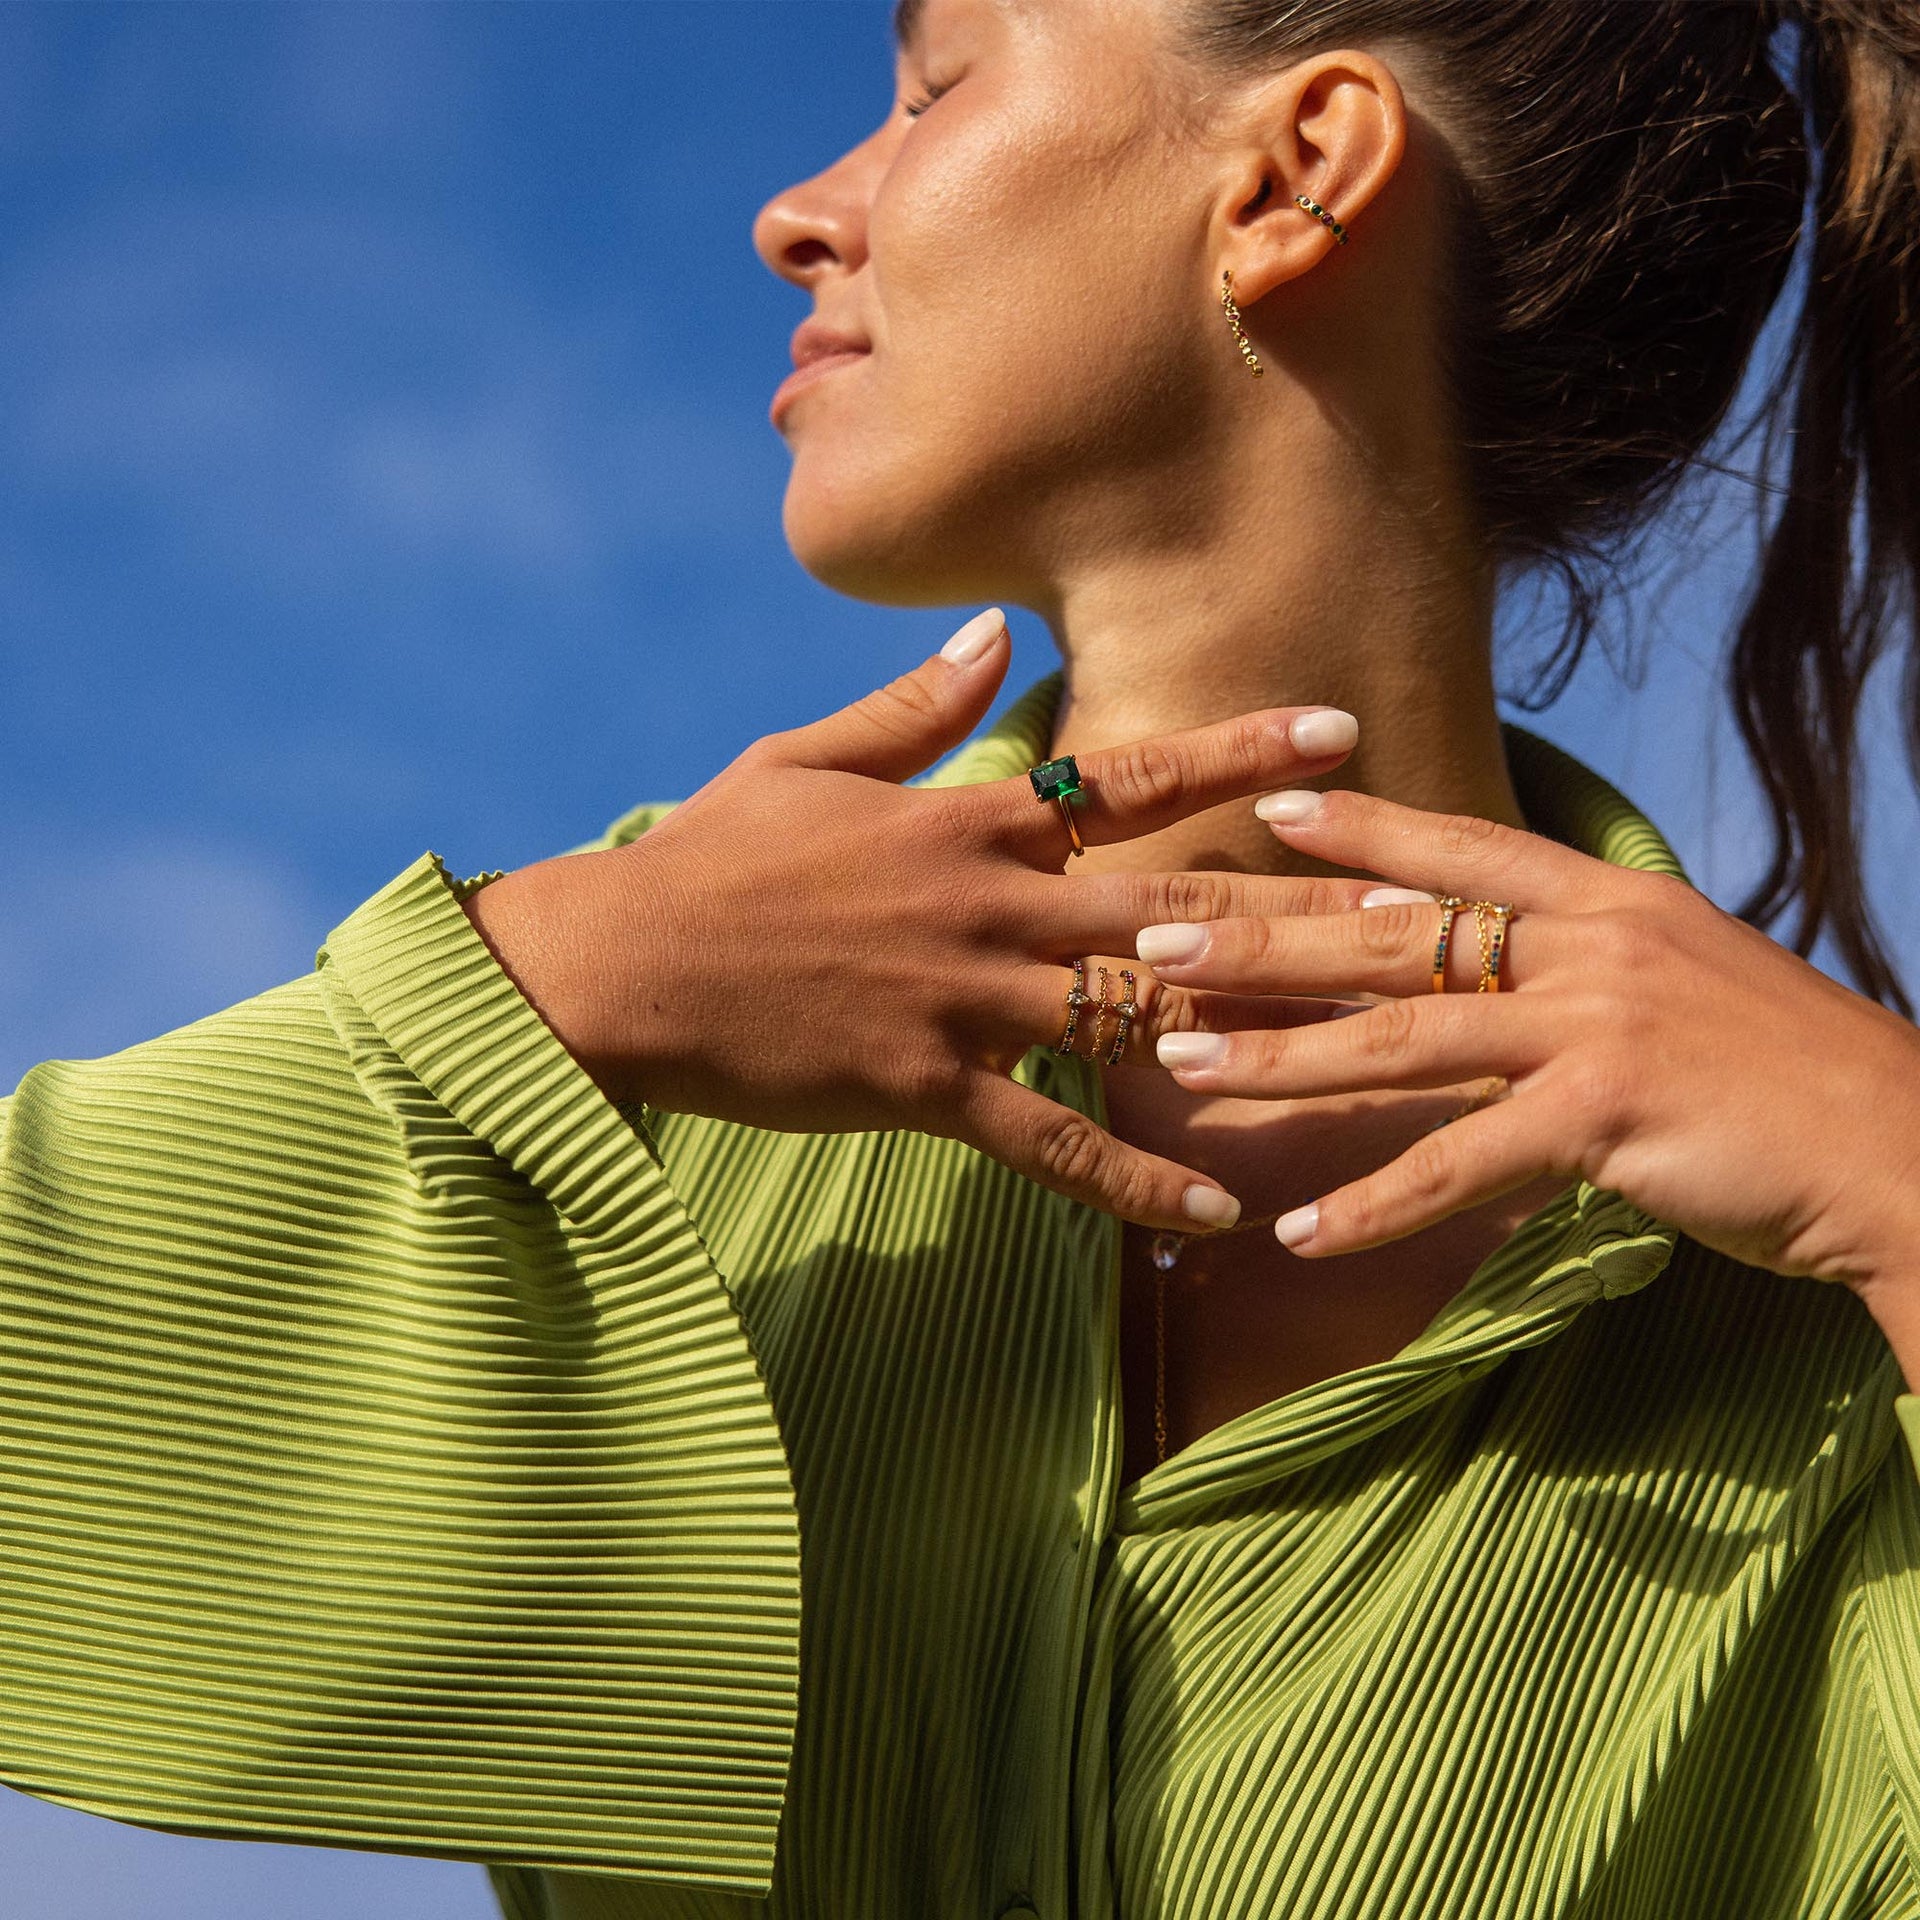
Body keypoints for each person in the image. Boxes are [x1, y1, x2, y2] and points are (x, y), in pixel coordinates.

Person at [2, 0, 1918, 1913]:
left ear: (1294, 175)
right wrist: (549, 978)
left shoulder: (1817, 1278)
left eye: (933, 89)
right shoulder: (629, 1039)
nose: (796, 213)